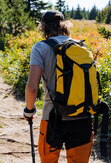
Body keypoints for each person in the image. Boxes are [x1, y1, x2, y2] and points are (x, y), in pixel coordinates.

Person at [23, 10, 93, 163]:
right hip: (82, 115)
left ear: (43, 27)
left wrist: (29, 110)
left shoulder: (40, 47)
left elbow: (32, 88)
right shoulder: (81, 47)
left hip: (53, 117)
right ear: (64, 25)